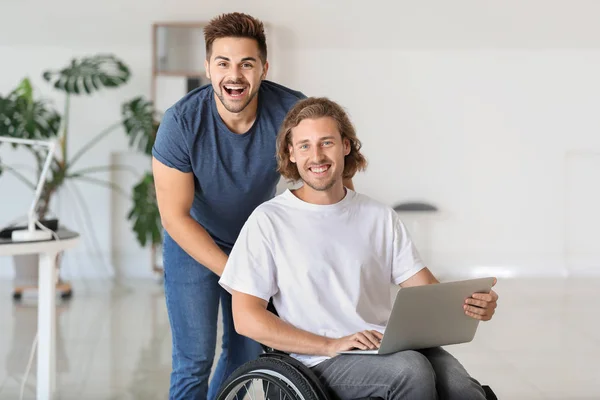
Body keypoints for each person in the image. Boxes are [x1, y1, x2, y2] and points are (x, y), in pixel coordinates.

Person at [219, 97, 499, 400]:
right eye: (304, 146)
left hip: (384, 345)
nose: (316, 156)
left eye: (326, 143)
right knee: (411, 371)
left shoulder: (378, 216)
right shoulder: (268, 221)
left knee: (462, 389)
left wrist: (470, 305)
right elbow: (245, 317)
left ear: (346, 146)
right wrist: (330, 344)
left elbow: (426, 292)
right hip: (315, 360)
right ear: (291, 153)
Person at [151, 13, 355, 400]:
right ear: (208, 68)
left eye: (247, 63)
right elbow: (174, 217)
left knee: (246, 355)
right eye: (223, 63)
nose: (235, 75)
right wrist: (238, 274)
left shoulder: (291, 112)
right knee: (193, 359)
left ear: (264, 68)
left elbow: (328, 178)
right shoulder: (180, 123)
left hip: (256, 243)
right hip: (192, 241)